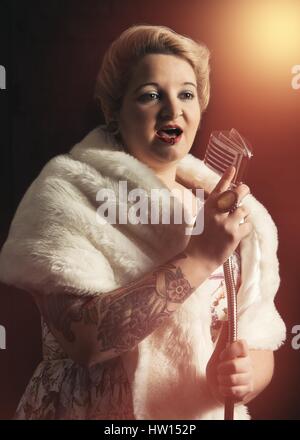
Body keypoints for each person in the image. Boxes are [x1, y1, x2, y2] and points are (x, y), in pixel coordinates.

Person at [0, 24, 286, 420]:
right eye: (151, 95)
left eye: (186, 94)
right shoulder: (66, 195)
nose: (173, 110)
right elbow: (86, 340)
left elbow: (258, 336)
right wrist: (199, 259)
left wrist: (247, 374)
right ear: (112, 111)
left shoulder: (230, 212)